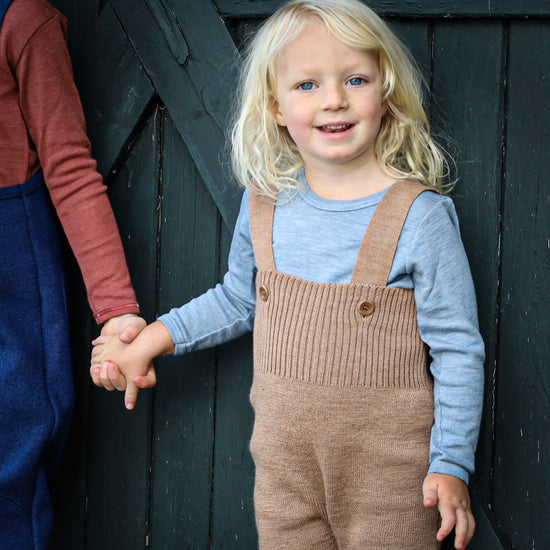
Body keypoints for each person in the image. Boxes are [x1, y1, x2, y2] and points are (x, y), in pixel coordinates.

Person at [91, 0, 485, 548]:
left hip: (393, 480)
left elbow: (458, 348)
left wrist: (451, 464)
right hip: (283, 472)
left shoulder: (418, 215)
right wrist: (150, 341)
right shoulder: (267, 203)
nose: (333, 99)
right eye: (307, 84)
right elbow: (236, 298)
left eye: (355, 78)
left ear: (386, 93)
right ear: (275, 106)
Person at [0, 0, 145, 548]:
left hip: (11, 273)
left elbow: (69, 166)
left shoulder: (21, 20)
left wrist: (116, 308)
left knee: (9, 473)